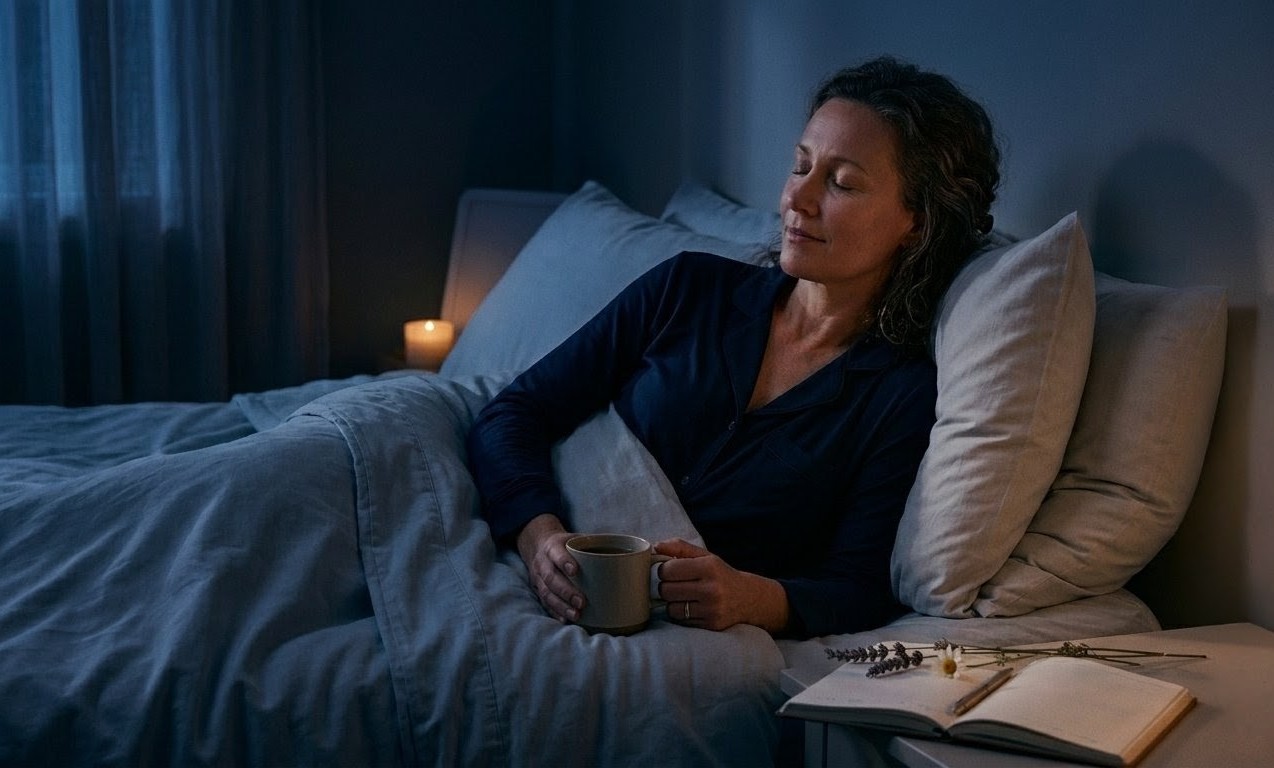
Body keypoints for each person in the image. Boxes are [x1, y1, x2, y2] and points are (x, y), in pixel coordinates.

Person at [466, 56, 1001, 639]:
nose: (799, 199)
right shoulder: (688, 288)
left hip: (654, 628)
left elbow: (858, 586)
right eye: (800, 167)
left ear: (917, 224)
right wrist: (538, 536)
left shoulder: (899, 395)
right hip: (521, 557)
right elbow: (512, 411)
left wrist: (756, 599)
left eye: (842, 183)